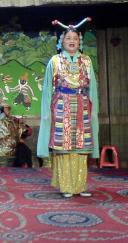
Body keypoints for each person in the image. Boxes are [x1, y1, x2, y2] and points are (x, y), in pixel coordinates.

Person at [37, 17, 99, 198]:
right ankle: (66, 186)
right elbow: (48, 88)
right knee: (64, 148)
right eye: (68, 38)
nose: (72, 41)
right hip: (61, 106)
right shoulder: (55, 61)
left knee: (80, 147)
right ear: (61, 41)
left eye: (75, 38)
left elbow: (92, 88)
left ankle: (80, 186)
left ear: (79, 41)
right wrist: (47, 113)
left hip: (81, 106)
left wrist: (93, 112)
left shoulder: (86, 61)